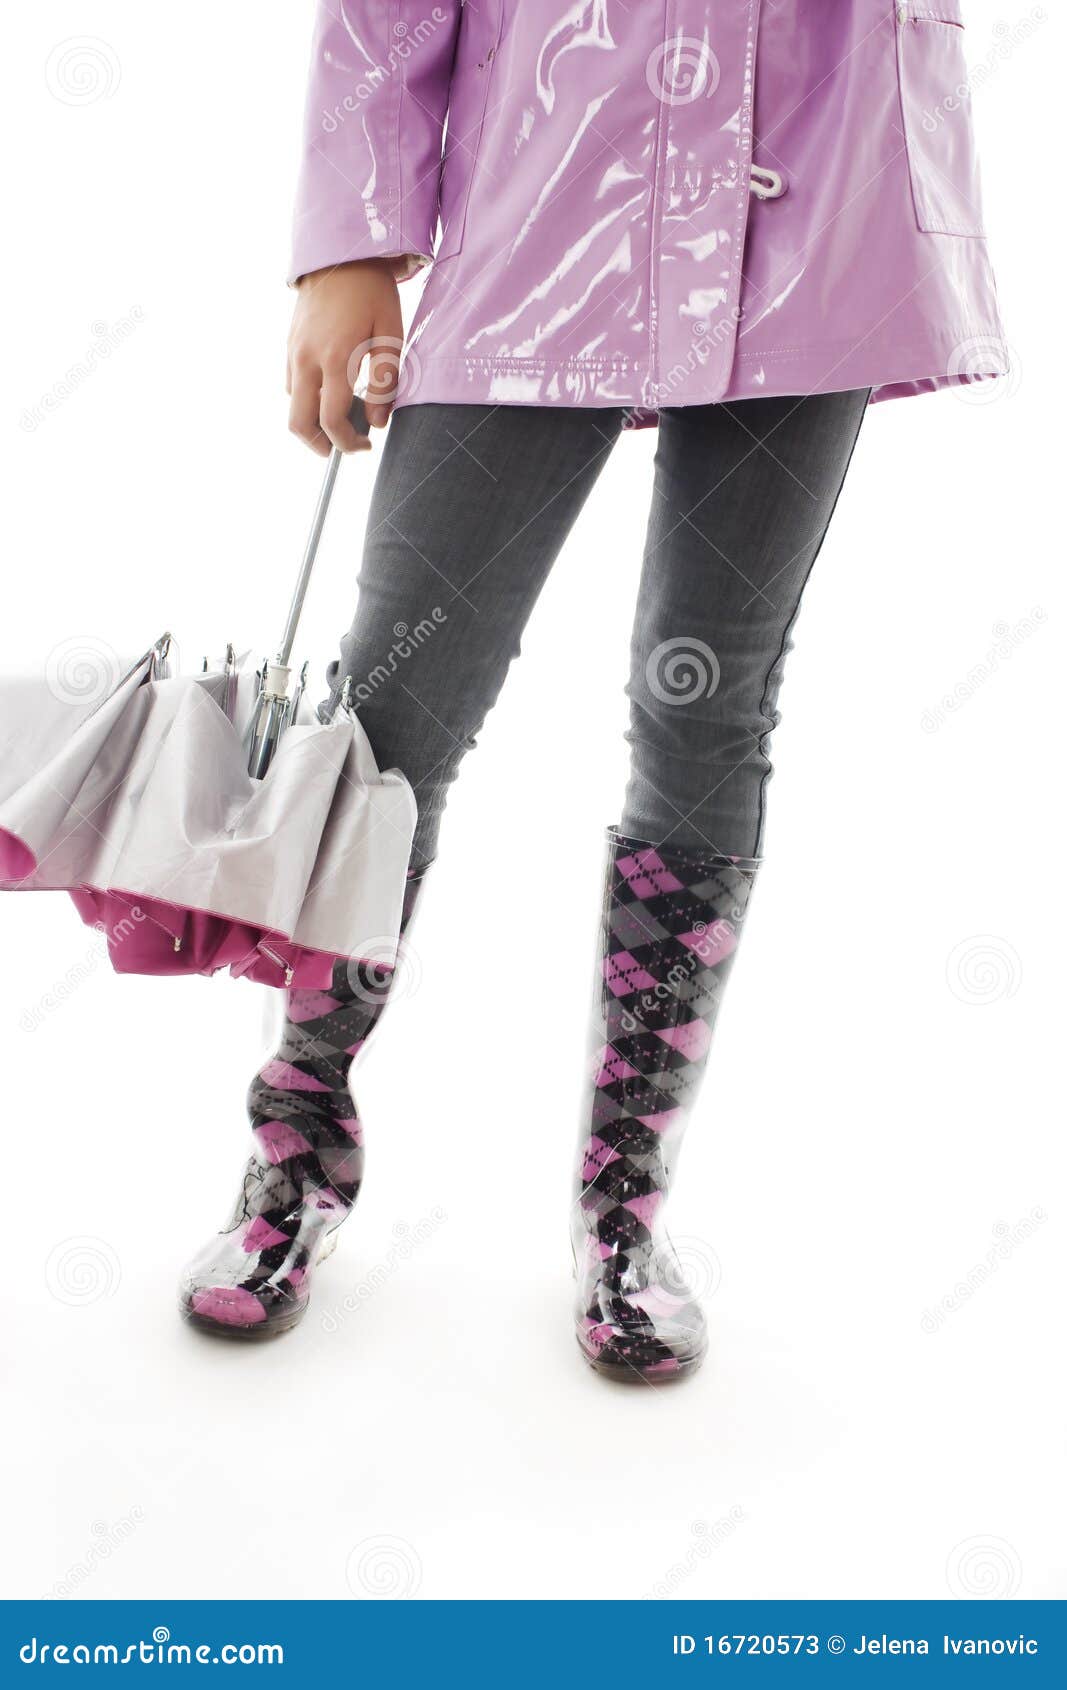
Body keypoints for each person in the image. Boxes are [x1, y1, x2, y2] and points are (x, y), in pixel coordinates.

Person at [180, 1, 1007, 1380]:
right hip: (548, 184)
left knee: (708, 696)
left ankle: (625, 1213)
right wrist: (356, 239)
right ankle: (296, 1150)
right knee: (399, 705)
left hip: (817, 194)